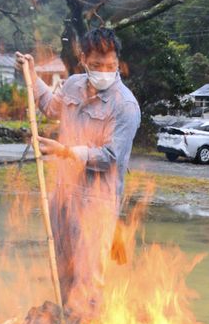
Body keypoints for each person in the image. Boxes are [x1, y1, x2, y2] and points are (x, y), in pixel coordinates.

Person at [14, 27, 141, 309]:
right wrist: (32, 76)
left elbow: (110, 156)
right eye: (96, 65)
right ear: (83, 59)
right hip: (63, 196)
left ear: (118, 62)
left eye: (110, 66)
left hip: (97, 203)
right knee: (64, 272)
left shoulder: (125, 106)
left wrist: (67, 152)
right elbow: (49, 107)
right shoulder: (72, 85)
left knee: (88, 281)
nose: (104, 71)